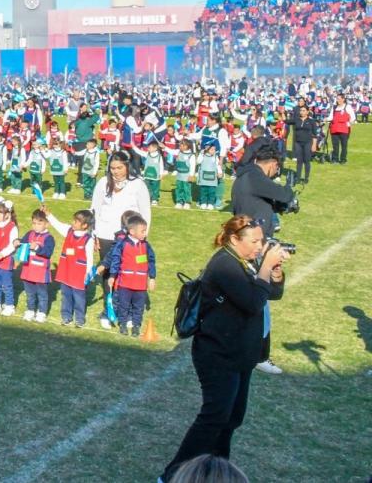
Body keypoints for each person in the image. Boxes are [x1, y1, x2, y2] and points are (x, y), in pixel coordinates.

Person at [162, 215, 288, 481]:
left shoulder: (246, 261)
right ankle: (173, 474)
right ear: (234, 239)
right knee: (214, 416)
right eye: (254, 241)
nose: (259, 246)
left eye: (261, 240)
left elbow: (271, 294)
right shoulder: (224, 265)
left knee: (232, 417)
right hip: (218, 354)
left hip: (241, 354)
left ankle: (217, 471)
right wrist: (265, 267)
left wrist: (275, 273)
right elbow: (253, 302)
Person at [90, 151, 151, 329]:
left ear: (127, 166)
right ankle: (109, 311)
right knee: (108, 273)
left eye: (119, 168)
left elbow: (145, 212)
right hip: (105, 234)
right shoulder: (103, 183)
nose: (115, 171)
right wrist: (93, 234)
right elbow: (94, 208)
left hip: (129, 238)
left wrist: (143, 237)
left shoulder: (138, 185)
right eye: (112, 168)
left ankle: (129, 312)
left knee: (127, 274)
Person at [230, 146, 294, 237]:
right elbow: (284, 195)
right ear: (273, 164)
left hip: (244, 231)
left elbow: (256, 200)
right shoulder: (256, 177)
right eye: (277, 168)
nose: (276, 172)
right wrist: (289, 186)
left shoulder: (247, 174)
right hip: (254, 236)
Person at [286, 106, 318, 183]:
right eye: (301, 110)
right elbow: (286, 121)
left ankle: (306, 178)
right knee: (299, 161)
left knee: (307, 161)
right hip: (298, 143)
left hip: (308, 143)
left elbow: (314, 134)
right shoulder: (296, 120)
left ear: (307, 112)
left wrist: (314, 145)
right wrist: (283, 113)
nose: (302, 112)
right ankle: (298, 177)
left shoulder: (311, 121)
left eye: (303, 110)